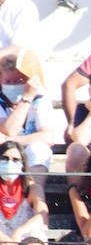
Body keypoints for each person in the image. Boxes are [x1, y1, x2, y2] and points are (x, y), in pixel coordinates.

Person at [0, 49, 60, 183]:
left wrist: (27, 97)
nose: (12, 85)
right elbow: (10, 129)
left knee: (39, 149)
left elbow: (49, 137)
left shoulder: (40, 100)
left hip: (29, 157)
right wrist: (25, 100)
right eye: (8, 81)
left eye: (17, 81)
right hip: (4, 155)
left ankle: (35, 192)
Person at [0, 138, 44, 245]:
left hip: (21, 243)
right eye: (4, 158)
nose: (10, 163)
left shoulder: (32, 188)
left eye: (15, 160)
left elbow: (42, 216)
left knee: (37, 234)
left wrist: (18, 233)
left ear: (22, 164)